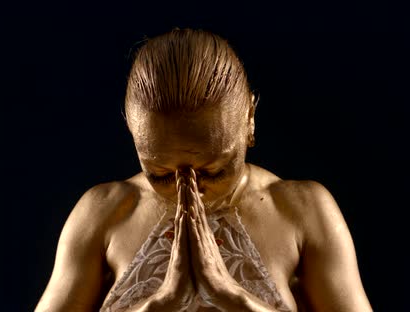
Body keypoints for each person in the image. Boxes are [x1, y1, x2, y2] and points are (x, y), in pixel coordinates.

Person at [35, 28, 372, 312]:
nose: (190, 190)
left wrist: (235, 298)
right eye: (161, 174)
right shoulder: (104, 213)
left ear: (249, 121)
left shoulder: (302, 211)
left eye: (215, 171)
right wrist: (159, 305)